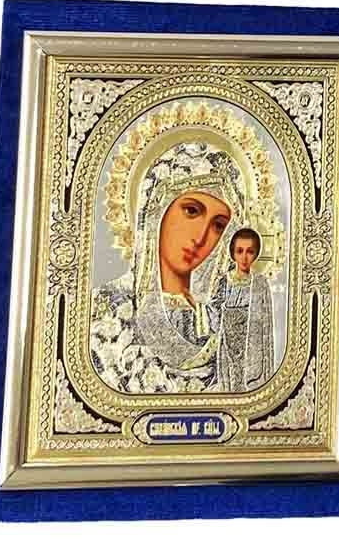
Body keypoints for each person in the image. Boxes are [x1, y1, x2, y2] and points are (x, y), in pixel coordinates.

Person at [89, 140, 246, 394]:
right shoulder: (105, 311)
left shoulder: (217, 319)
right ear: (156, 211)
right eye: (192, 211)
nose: (201, 237)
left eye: (218, 225)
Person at [212, 226, 277, 392]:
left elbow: (265, 325)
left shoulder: (260, 284)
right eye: (240, 251)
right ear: (232, 253)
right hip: (228, 346)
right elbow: (215, 315)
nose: (244, 257)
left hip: (251, 347)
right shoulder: (224, 282)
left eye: (250, 251)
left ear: (256, 254)